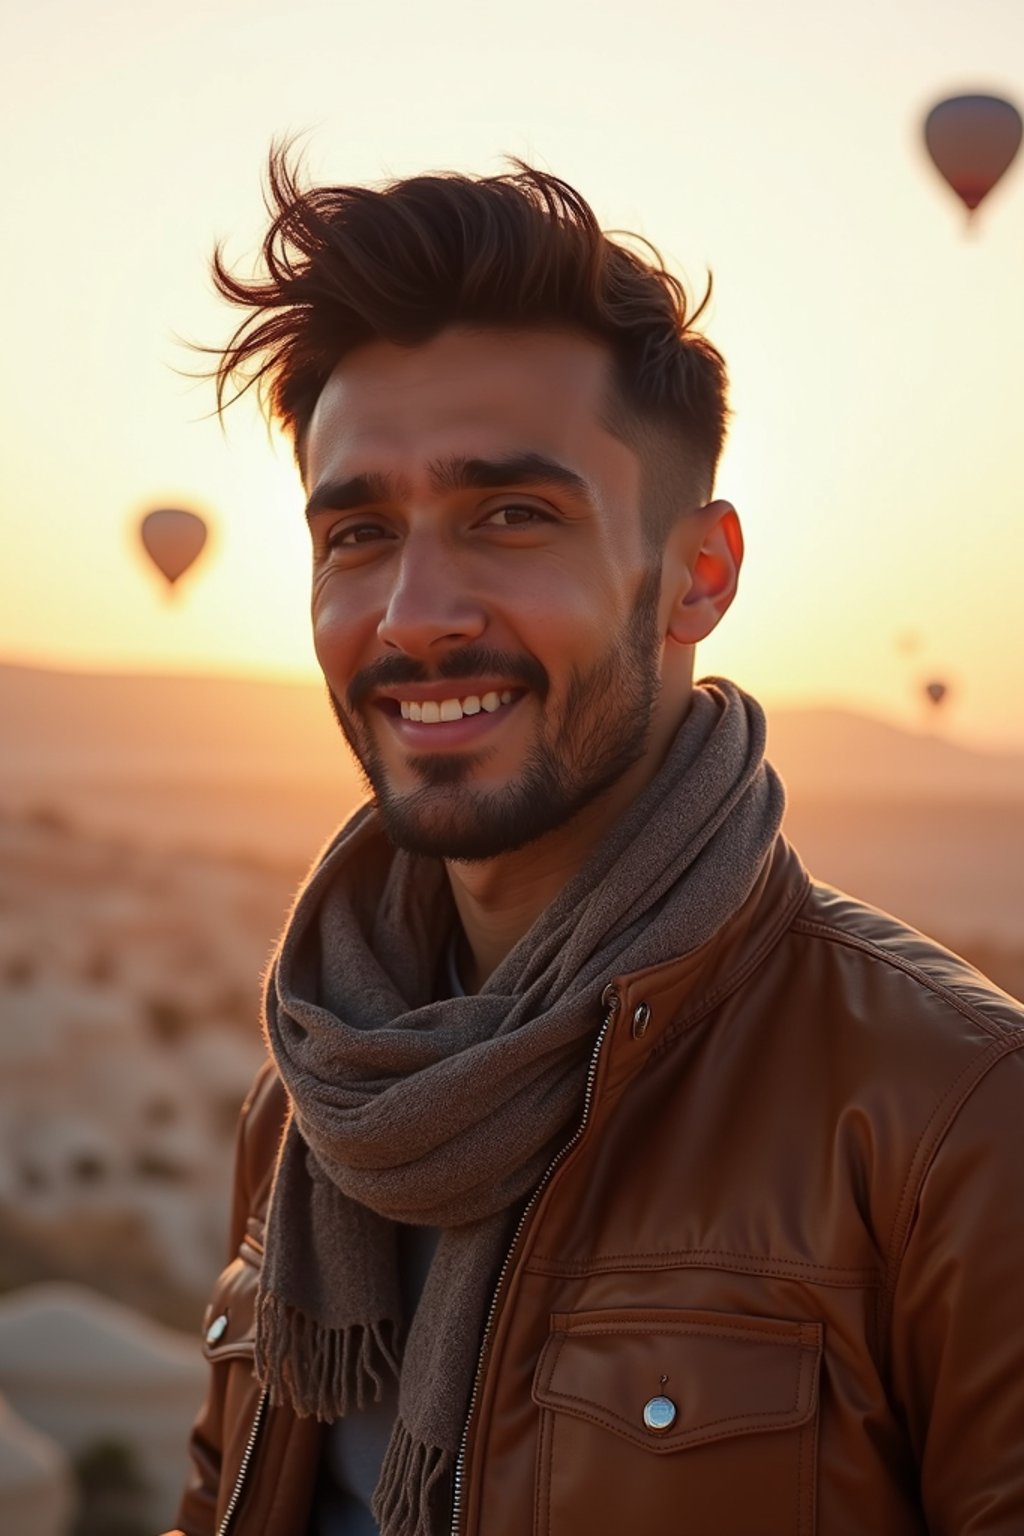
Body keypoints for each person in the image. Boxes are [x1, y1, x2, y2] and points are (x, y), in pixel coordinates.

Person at [169, 151, 1024, 1536]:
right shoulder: (320, 1093)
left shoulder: (950, 1117)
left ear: (699, 576)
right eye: (359, 532)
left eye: (512, 515)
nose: (415, 615)